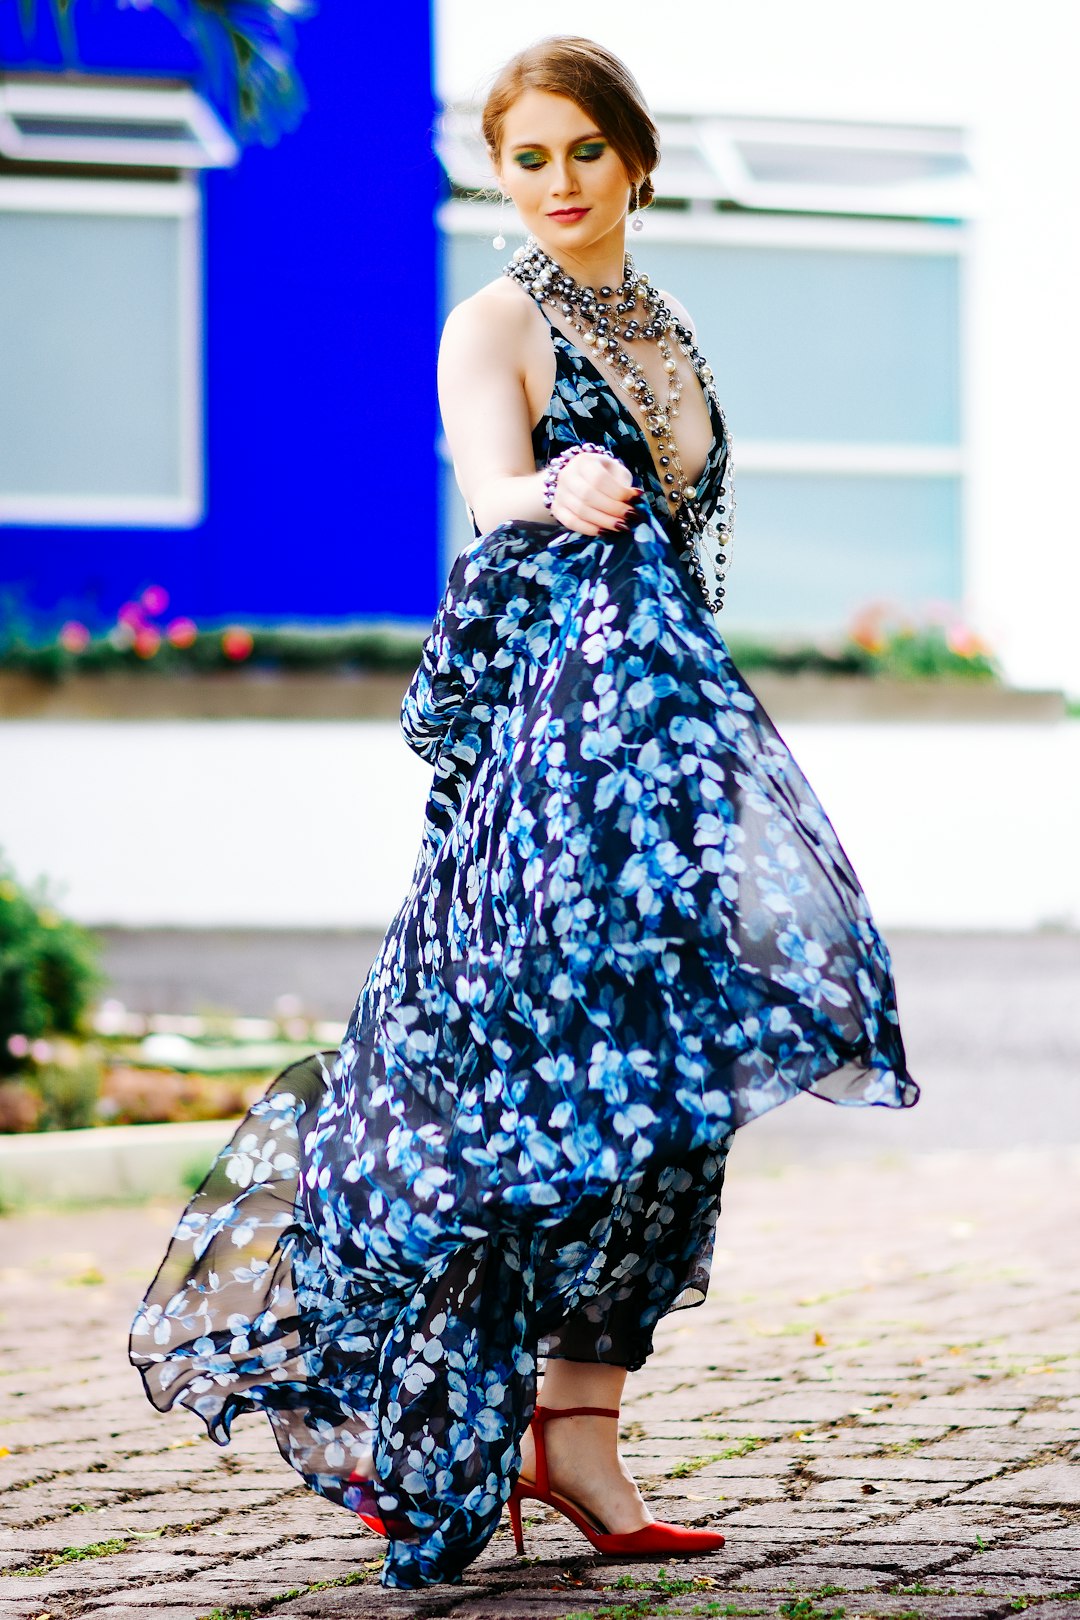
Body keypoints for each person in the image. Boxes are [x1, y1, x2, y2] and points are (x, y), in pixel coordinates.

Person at [130, 35, 918, 1592]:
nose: (555, 183)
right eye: (525, 157)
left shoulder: (671, 322)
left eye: (580, 152)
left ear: (634, 158)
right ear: (499, 173)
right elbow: (488, 491)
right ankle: (429, 1417)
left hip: (661, 766)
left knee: (667, 1097)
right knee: (525, 1085)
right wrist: (553, 489)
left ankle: (578, 1433)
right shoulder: (492, 322)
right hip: (548, 777)